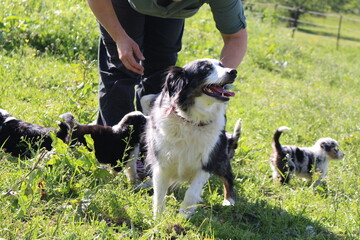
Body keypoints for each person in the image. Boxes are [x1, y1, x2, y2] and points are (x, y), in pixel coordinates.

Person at [87, 0, 247, 126]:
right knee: (123, 70)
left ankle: (147, 149)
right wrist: (119, 38)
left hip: (171, 13)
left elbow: (236, 37)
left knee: (161, 76)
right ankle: (117, 152)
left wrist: (218, 79)